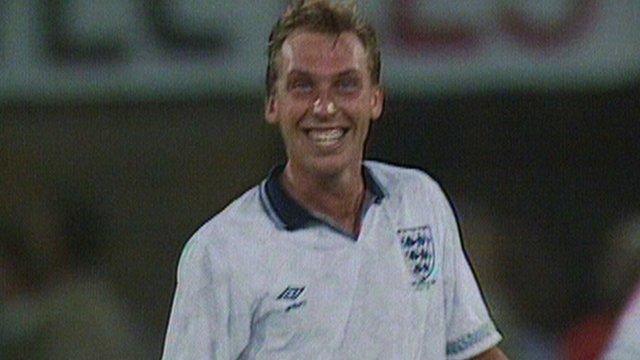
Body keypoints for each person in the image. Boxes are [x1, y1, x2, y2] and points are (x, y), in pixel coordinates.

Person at [162, 1, 506, 359]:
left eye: (345, 85)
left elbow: (474, 352)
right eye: (303, 86)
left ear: (375, 99)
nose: (324, 107)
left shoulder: (419, 202)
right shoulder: (220, 254)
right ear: (272, 104)